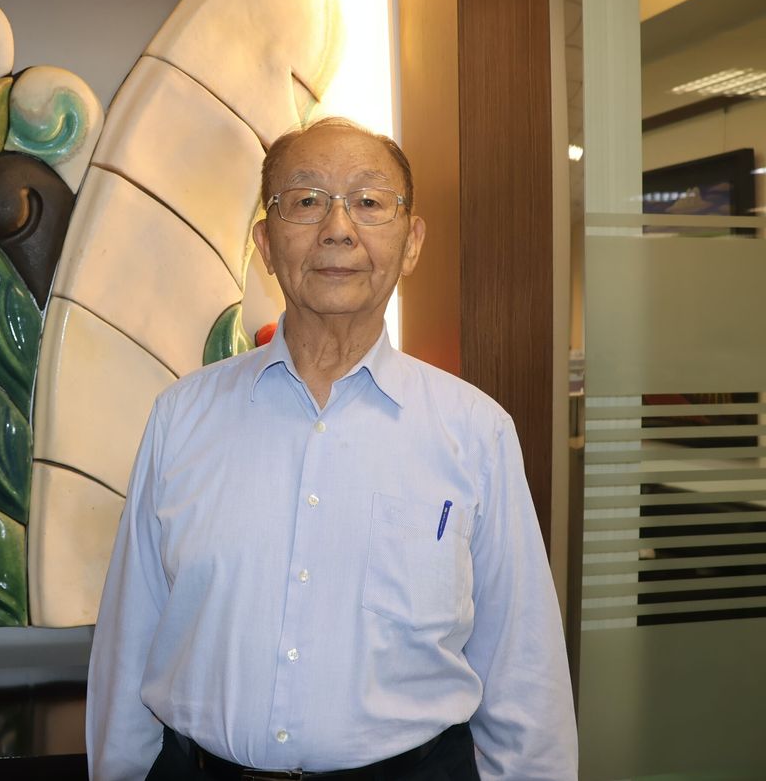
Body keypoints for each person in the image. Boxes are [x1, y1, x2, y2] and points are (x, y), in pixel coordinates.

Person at [85, 117, 577, 780]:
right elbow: (129, 641)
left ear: (411, 242)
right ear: (266, 243)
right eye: (307, 200)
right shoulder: (182, 417)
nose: (338, 228)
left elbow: (523, 669)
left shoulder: (475, 431)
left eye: (369, 202)